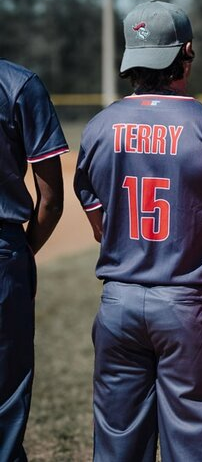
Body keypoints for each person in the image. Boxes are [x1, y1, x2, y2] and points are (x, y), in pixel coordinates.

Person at [74, 1, 202, 462]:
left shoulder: (98, 128)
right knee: (196, 446)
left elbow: (101, 224)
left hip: (117, 302)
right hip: (187, 302)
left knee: (117, 446)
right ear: (187, 53)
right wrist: (199, 270)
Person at [0, 59, 67, 462]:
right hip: (4, 251)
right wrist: (22, 251)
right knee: (5, 398)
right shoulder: (18, 84)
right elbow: (52, 200)